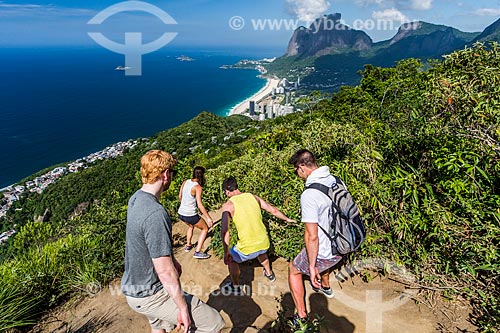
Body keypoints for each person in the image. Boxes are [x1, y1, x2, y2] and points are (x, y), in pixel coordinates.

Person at [121, 150, 225, 333]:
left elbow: (146, 244)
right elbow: (165, 271)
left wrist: (173, 259)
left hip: (133, 288)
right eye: (172, 172)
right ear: (165, 174)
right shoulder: (155, 213)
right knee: (214, 323)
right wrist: (183, 308)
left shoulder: (135, 198)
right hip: (151, 293)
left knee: (160, 326)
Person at [288, 149, 344, 324]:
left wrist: (311, 267)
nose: (297, 174)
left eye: (296, 170)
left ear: (302, 167)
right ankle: (326, 286)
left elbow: (312, 236)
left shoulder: (310, 194)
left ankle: (302, 316)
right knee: (324, 260)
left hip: (325, 249)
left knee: (294, 270)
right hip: (342, 243)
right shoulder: (336, 180)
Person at [220, 176, 295, 296]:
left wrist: (226, 252)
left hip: (247, 248)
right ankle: (269, 274)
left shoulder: (228, 205)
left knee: (231, 260)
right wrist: (287, 219)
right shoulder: (253, 197)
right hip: (264, 243)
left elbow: (225, 231)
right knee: (260, 251)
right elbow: (273, 210)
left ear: (227, 191)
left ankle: (235, 286)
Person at [178, 166, 213, 259]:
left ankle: (188, 245)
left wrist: (184, 205)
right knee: (205, 228)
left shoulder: (185, 182)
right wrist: (208, 218)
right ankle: (198, 252)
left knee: (191, 226)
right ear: (202, 175)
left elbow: (180, 196)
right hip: (190, 214)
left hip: (181, 213)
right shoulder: (197, 187)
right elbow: (200, 205)